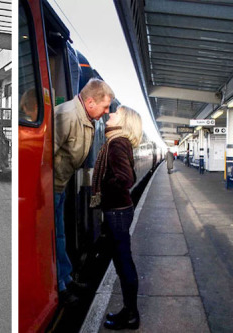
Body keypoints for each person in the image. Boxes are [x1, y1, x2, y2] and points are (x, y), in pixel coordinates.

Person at [54, 78, 115, 304]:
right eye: (105, 107)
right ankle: (60, 286)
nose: (107, 112)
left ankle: (66, 279)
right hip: (50, 188)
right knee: (54, 236)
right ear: (90, 102)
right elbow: (43, 155)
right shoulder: (67, 116)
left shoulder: (85, 117)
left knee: (60, 235)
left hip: (61, 186)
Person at [90, 105, 142, 330]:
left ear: (124, 121)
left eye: (115, 113)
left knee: (123, 263)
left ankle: (131, 315)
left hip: (118, 212)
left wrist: (104, 186)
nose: (109, 115)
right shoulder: (118, 141)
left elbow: (126, 178)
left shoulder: (117, 143)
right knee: (119, 261)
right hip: (120, 210)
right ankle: (128, 311)